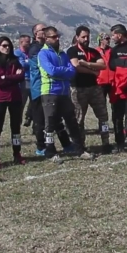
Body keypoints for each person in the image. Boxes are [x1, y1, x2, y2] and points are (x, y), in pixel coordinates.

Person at [38, 26, 88, 161]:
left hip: (64, 92)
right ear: (46, 38)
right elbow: (51, 71)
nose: (57, 38)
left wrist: (62, 72)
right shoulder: (43, 54)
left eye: (58, 36)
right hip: (50, 92)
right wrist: (63, 71)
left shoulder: (62, 53)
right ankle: (50, 151)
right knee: (50, 123)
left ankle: (79, 149)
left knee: (71, 120)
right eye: (54, 37)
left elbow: (72, 71)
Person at [67, 26, 111, 154]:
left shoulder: (93, 52)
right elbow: (76, 66)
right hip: (78, 88)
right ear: (77, 37)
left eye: (87, 36)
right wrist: (93, 71)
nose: (86, 39)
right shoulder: (72, 50)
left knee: (103, 116)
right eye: (83, 37)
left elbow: (103, 65)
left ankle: (106, 142)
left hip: (94, 88)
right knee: (79, 118)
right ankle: (80, 145)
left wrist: (87, 64)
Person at [0, 36, 26, 169]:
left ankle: (17, 153)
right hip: (0, 99)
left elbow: (21, 76)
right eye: (4, 46)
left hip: (15, 97)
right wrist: (12, 77)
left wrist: (6, 77)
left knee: (15, 128)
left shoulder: (15, 61)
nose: (7, 48)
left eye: (9, 45)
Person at [14, 34, 32, 127]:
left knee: (35, 103)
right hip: (23, 82)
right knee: (21, 105)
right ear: (21, 42)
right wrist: (30, 62)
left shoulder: (30, 52)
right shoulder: (17, 53)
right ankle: (17, 125)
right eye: (28, 42)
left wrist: (28, 62)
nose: (30, 43)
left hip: (33, 80)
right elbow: (22, 65)